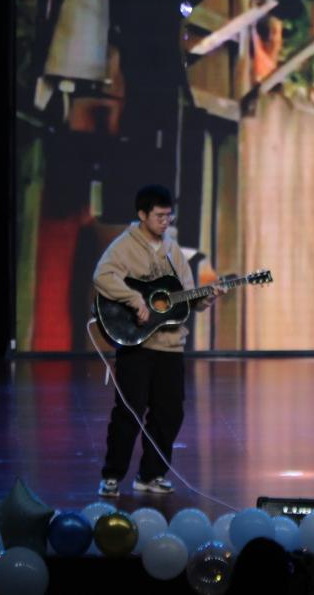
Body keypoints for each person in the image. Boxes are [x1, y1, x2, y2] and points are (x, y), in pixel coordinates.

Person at [94, 184, 225, 497]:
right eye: (159, 216)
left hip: (170, 345)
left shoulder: (172, 250)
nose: (165, 222)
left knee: (170, 412)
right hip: (137, 343)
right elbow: (103, 276)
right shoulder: (125, 246)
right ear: (142, 215)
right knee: (130, 411)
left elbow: (188, 298)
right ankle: (112, 475)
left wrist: (207, 297)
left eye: (169, 216)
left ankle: (151, 474)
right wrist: (134, 298)